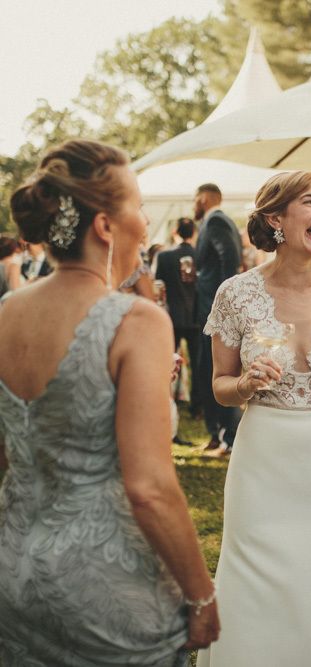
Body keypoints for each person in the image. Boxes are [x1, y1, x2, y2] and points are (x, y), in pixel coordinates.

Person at [0, 139, 219, 665]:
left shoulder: (5, 312)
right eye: (138, 205)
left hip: (13, 574)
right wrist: (201, 594)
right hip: (107, 587)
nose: (145, 220)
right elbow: (149, 489)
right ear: (104, 226)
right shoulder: (136, 321)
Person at [196, 171, 311, 666]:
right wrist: (247, 384)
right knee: (251, 571)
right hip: (264, 452)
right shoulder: (235, 293)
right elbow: (220, 385)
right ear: (276, 218)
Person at [193, 183, 242, 453]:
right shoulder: (215, 222)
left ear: (205, 198)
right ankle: (217, 434)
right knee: (205, 371)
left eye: (196, 199)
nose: (194, 204)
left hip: (214, 310)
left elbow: (229, 259)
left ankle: (229, 437)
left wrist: (223, 303)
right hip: (205, 308)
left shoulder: (217, 222)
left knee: (219, 371)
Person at [156, 217, 202, 420]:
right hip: (196, 317)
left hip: (172, 318)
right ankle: (197, 406)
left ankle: (165, 402)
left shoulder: (165, 256)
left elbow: (159, 286)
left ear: (175, 232)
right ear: (193, 232)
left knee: (165, 364)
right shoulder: (199, 255)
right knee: (198, 365)